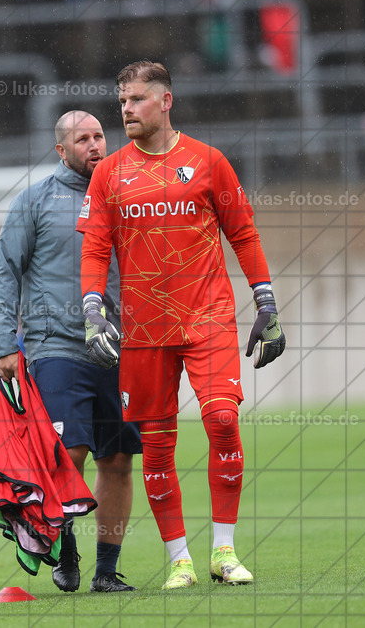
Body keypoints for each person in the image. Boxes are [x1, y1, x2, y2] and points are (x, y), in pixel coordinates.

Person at [76, 60, 286, 589]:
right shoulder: (108, 173)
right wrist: (92, 308)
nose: (126, 109)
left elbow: (243, 233)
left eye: (137, 99)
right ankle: (180, 560)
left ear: (166, 101)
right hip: (143, 330)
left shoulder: (209, 162)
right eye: (122, 100)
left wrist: (266, 303)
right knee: (158, 444)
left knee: (221, 420)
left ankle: (223, 550)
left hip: (207, 317)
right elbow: (96, 247)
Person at [0, 110, 143, 593]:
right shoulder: (34, 201)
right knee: (66, 454)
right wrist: (2, 343)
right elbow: (5, 271)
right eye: (82, 139)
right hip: (56, 346)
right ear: (61, 149)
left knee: (117, 460)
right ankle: (66, 543)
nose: (94, 145)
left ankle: (106, 570)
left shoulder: (123, 196)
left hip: (120, 350)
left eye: (99, 136)